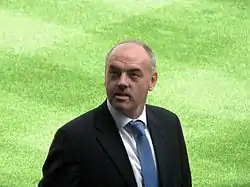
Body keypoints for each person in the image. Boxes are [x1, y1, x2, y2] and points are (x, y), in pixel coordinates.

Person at [38, 40, 192, 187]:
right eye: (115, 73)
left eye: (133, 75)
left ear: (152, 81)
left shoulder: (169, 124)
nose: (122, 82)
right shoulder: (74, 139)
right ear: (105, 77)